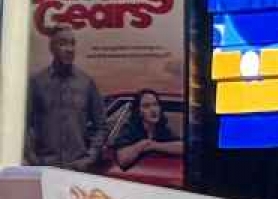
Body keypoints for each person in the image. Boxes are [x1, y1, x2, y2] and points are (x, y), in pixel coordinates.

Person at [27, 27, 105, 171]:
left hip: (77, 168)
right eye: (63, 43)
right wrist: (32, 158)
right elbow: (24, 124)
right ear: (52, 48)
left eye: (72, 44)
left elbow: (100, 126)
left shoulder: (86, 82)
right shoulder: (37, 83)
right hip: (45, 167)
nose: (69, 49)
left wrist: (90, 157)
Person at [106, 88, 183, 176]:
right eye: (146, 106)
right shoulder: (130, 129)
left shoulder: (162, 130)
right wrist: (142, 144)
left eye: (155, 104)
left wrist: (153, 146)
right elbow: (122, 160)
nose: (153, 110)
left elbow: (183, 147)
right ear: (139, 112)